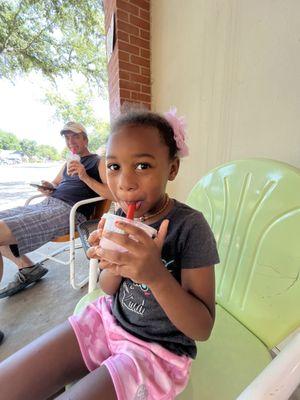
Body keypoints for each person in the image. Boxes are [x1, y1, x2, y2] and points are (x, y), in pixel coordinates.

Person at [0, 109, 219, 400]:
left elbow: (201, 328)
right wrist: (113, 261)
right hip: (107, 320)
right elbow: (108, 288)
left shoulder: (190, 227)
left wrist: (155, 276)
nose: (125, 183)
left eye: (142, 165)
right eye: (114, 167)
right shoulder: (120, 215)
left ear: (173, 168)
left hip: (155, 352)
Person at [0, 121, 112, 298]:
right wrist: (48, 187)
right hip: (49, 204)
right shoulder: (68, 163)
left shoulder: (98, 162)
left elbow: (111, 193)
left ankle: (28, 268)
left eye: (75, 136)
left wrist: (84, 176)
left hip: (70, 212)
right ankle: (27, 267)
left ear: (85, 139)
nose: (70, 141)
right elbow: (55, 184)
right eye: (67, 138)